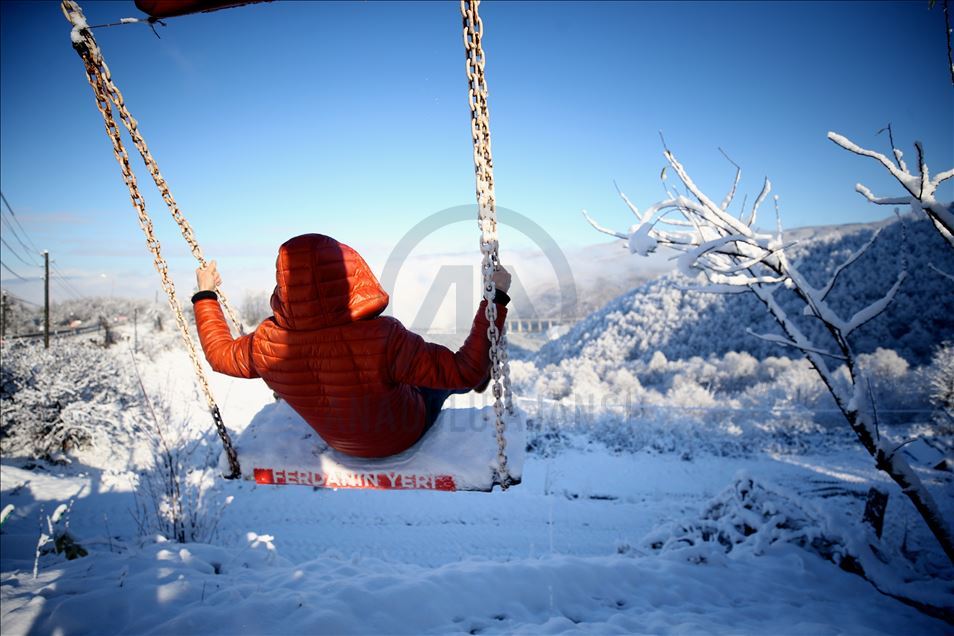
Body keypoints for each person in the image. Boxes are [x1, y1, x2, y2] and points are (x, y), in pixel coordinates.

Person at [191, 233, 510, 459]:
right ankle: (481, 380)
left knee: (399, 373)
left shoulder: (265, 342)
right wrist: (495, 299)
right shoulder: (384, 338)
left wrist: (206, 294)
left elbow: (219, 355)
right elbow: (462, 370)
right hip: (401, 434)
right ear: (353, 274)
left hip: (339, 441)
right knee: (443, 382)